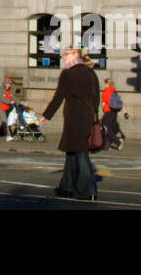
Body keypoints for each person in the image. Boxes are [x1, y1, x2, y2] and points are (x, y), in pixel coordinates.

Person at [41, 46, 102, 200]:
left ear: (76, 55)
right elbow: (96, 97)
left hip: (74, 118)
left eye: (67, 54)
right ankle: (67, 187)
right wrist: (95, 115)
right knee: (72, 153)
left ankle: (88, 190)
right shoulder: (91, 72)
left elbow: (58, 97)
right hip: (87, 117)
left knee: (81, 154)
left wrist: (46, 116)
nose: (64, 57)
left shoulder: (68, 73)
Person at [101, 78, 124, 150]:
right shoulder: (115, 91)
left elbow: (103, 104)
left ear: (107, 84)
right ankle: (106, 146)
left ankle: (118, 141)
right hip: (114, 113)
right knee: (110, 129)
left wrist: (103, 111)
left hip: (108, 112)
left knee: (106, 129)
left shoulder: (106, 91)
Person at [0, 77, 17, 142]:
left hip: (6, 108)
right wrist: (10, 102)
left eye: (10, 84)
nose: (9, 85)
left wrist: (19, 102)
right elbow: (2, 99)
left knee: (0, 122)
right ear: (5, 83)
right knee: (6, 121)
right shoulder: (0, 90)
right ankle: (8, 136)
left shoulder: (9, 91)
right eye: (8, 84)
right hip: (0, 108)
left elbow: (13, 97)